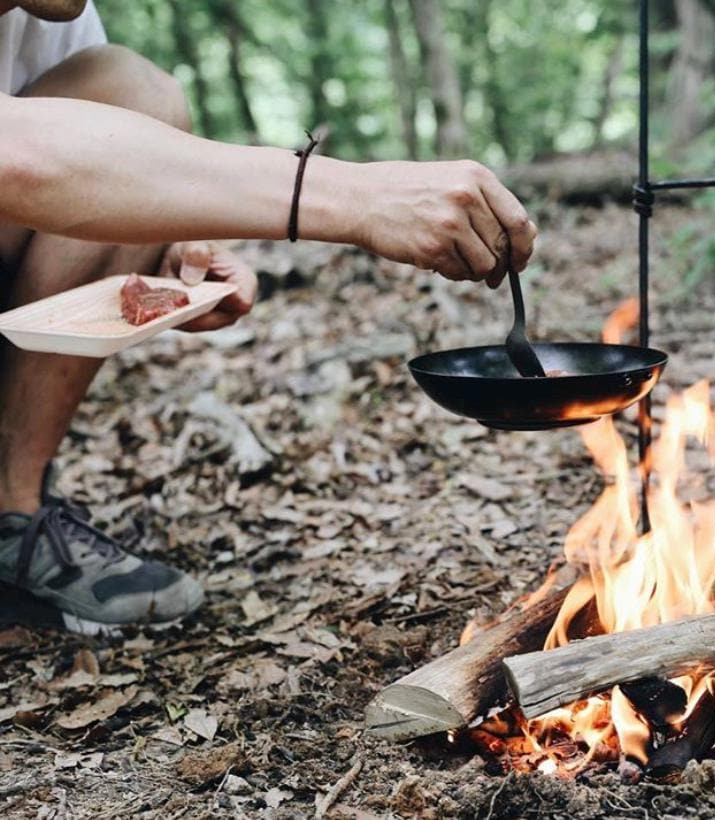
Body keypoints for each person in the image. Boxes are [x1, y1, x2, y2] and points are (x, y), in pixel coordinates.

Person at [0, 0, 539, 632]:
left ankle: (11, 514)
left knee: (131, 89)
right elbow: (21, 158)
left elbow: (92, 165)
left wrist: (162, 249)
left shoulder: (51, 19)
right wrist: (357, 196)